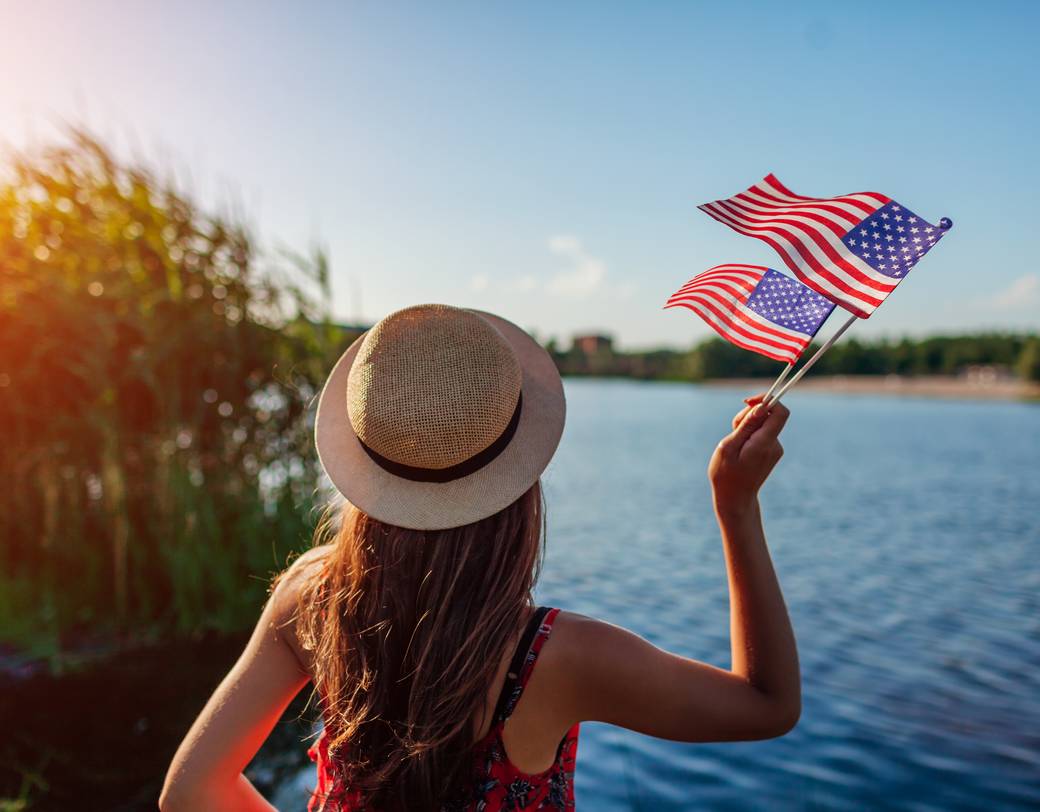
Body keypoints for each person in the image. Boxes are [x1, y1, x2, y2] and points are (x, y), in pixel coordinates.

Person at [160, 303, 799, 811]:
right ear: (516, 482)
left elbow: (192, 791)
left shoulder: (311, 596)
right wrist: (735, 507)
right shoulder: (558, 657)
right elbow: (768, 705)